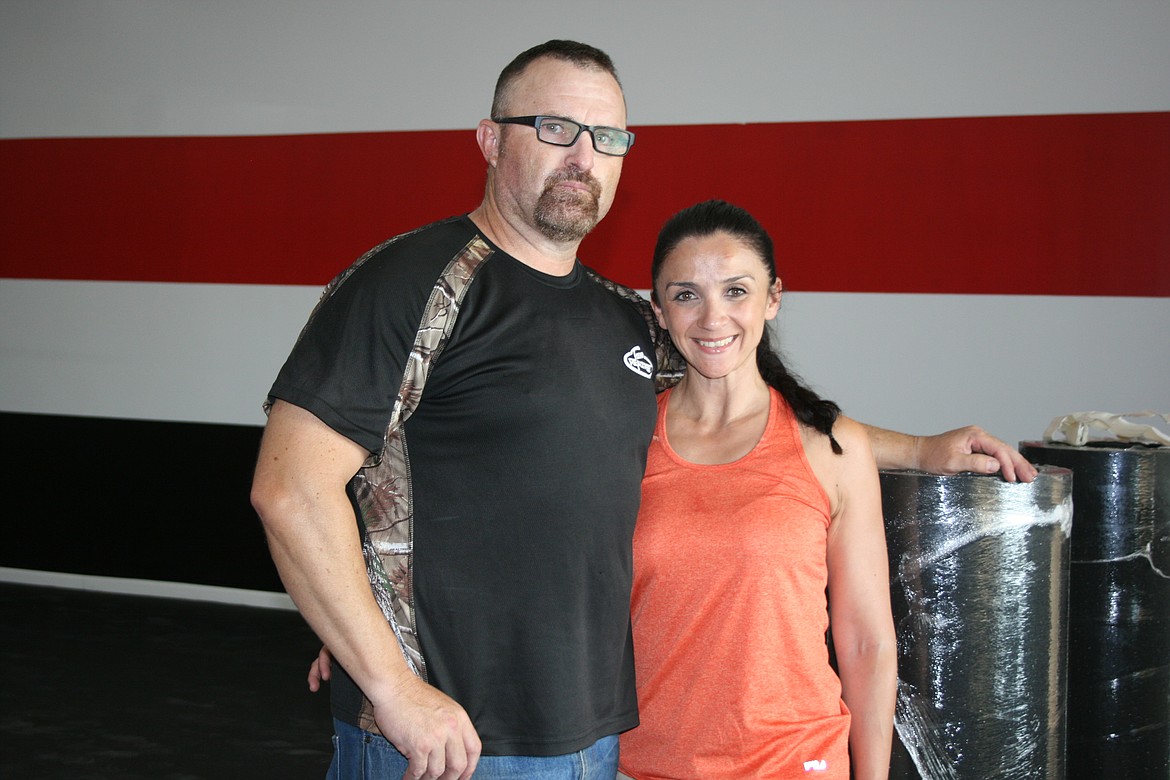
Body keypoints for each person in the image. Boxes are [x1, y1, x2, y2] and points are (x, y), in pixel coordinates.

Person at [253, 40, 1036, 780]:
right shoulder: (410, 283)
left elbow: (748, 410)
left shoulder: (623, 320)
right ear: (490, 140)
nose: (582, 155)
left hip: (601, 739)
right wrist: (386, 678)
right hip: (444, 738)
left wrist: (921, 450)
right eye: (555, 127)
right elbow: (290, 489)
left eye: (607, 135)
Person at [616, 200, 895, 779]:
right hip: (645, 767)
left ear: (773, 299)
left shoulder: (832, 446)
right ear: (660, 312)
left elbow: (867, 643)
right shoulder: (624, 442)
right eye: (686, 294)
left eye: (737, 291)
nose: (713, 318)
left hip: (795, 765)